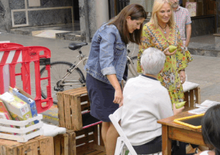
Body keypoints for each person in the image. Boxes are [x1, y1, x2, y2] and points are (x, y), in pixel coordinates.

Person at [83, 4, 146, 155]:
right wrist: (118, 88)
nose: (138, 28)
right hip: (100, 81)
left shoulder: (119, 30)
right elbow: (106, 63)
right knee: (116, 122)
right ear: (128, 18)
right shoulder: (110, 31)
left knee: (108, 120)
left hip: (109, 81)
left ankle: (109, 152)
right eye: (137, 23)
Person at [115, 48, 184, 154]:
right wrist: (176, 113)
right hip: (148, 143)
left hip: (128, 139)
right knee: (181, 134)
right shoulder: (161, 90)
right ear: (161, 69)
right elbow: (167, 121)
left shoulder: (130, 82)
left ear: (141, 66)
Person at [139, 0, 193, 104]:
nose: (166, 14)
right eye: (162, 11)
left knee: (176, 110)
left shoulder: (174, 27)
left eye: (168, 11)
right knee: (161, 110)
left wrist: (182, 70)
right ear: (155, 12)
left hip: (174, 76)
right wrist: (162, 54)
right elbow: (144, 56)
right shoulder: (147, 29)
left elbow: (180, 50)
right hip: (156, 77)